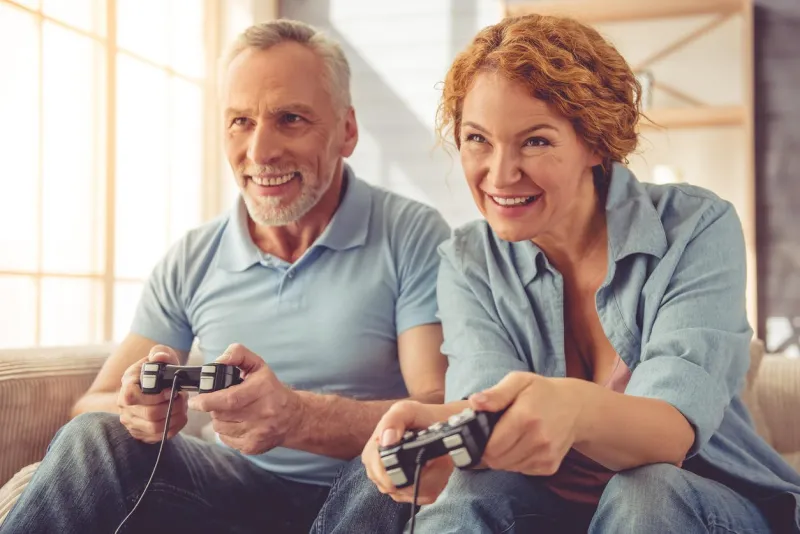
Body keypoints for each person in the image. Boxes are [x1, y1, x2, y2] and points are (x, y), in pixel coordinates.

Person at [326, 13, 800, 534]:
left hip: (697, 498)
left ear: (594, 142)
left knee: (645, 490)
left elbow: (671, 434)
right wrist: (428, 428)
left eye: (536, 141)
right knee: (464, 494)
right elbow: (489, 418)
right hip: (546, 505)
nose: (500, 174)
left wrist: (570, 407)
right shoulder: (469, 259)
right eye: (477, 139)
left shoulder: (696, 227)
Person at [0, 19, 451, 534]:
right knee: (95, 436)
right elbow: (92, 404)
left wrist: (299, 418)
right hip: (233, 490)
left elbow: (435, 413)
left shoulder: (410, 234)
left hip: (365, 489)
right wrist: (138, 409)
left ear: (347, 130)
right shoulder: (193, 257)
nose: (260, 152)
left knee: (397, 464)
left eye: (290, 119)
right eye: (241, 121)